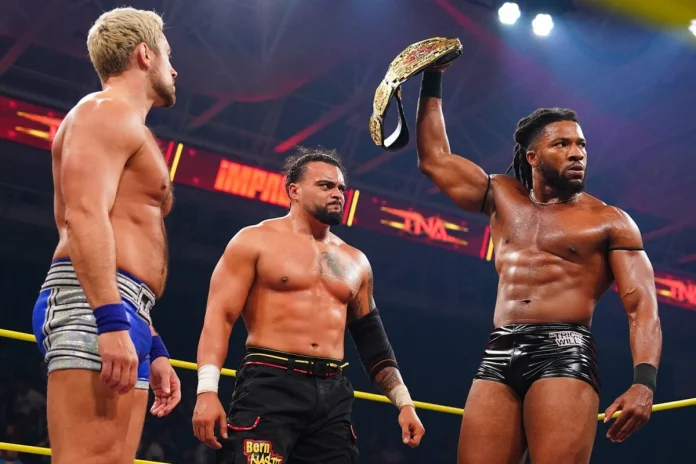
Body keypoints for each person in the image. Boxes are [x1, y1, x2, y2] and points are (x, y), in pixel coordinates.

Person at [415, 65, 662, 464]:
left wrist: (644, 382)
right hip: (499, 348)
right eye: (562, 144)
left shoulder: (609, 220)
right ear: (532, 156)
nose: (577, 153)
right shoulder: (501, 195)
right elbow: (435, 159)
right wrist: (432, 76)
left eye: (581, 145)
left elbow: (642, 307)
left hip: (565, 349)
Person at [192, 147, 426, 463]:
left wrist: (404, 402)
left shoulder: (356, 261)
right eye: (326, 185)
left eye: (341, 188)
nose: (338, 194)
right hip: (270, 382)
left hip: (333, 394)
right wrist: (207, 390)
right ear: (294, 191)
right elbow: (219, 318)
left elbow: (373, 343)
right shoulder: (254, 240)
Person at [31, 7, 181, 464]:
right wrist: (111, 320)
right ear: (144, 55)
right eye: (168, 55)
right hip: (93, 303)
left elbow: (118, 231)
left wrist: (152, 340)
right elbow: (83, 217)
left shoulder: (129, 125)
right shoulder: (101, 112)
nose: (174, 70)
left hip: (125, 304)